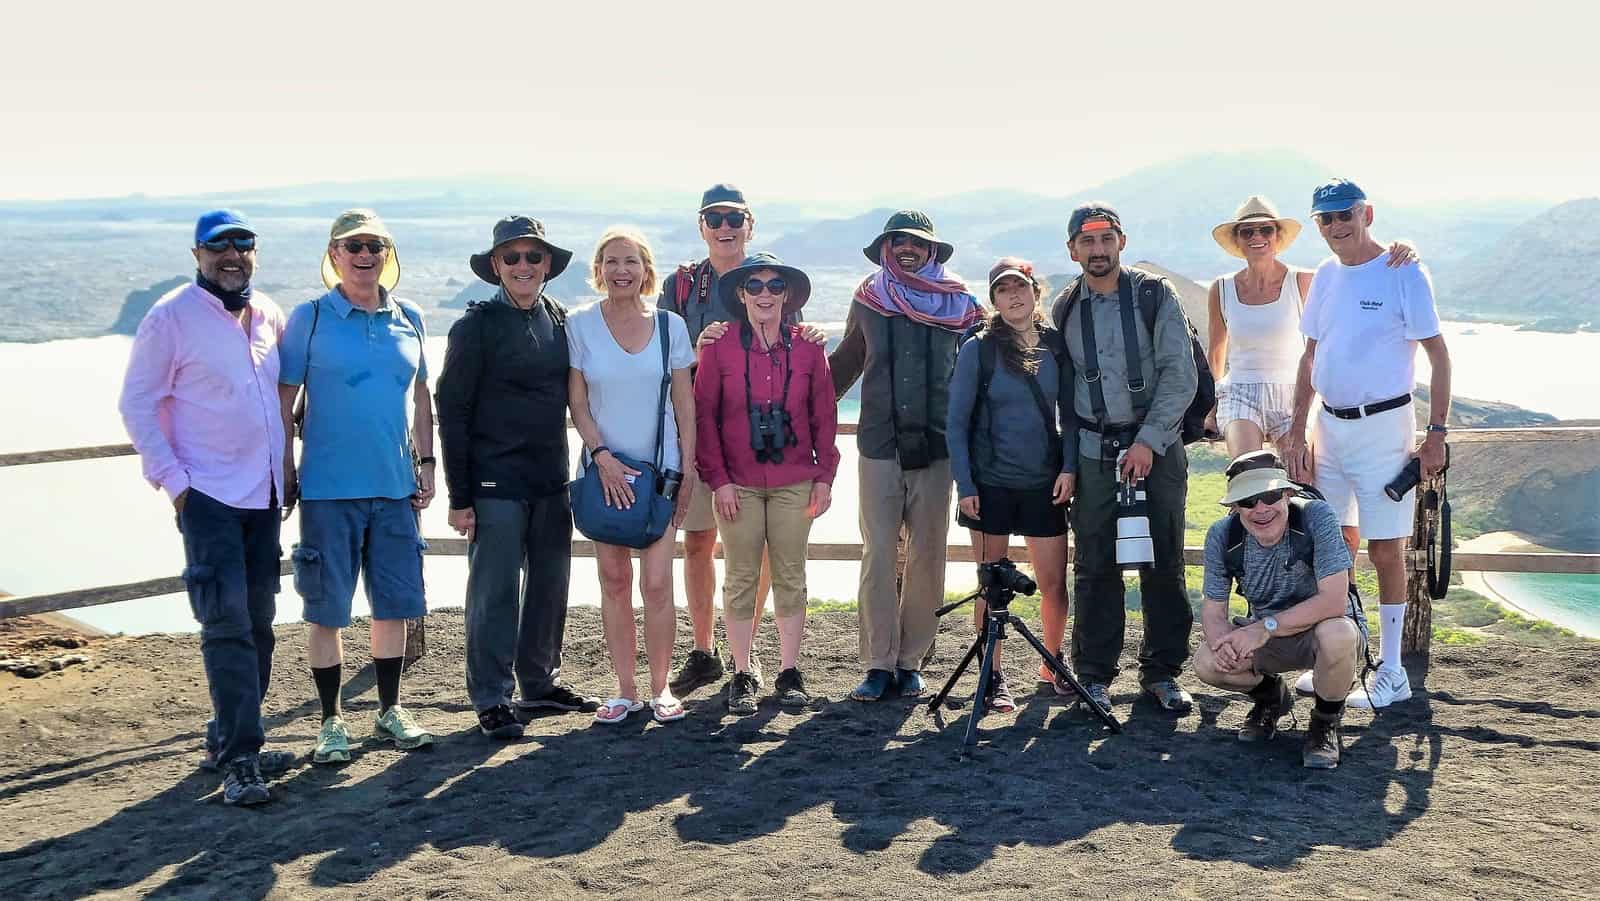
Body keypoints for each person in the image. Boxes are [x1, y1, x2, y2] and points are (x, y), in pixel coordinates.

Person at [118, 209, 292, 806]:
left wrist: (286, 474)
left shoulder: (268, 312)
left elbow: (279, 400)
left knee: (261, 624)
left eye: (243, 246)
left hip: (264, 495)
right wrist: (176, 483)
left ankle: (230, 738)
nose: (232, 256)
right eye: (218, 248)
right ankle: (242, 760)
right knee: (226, 627)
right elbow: (137, 402)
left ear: (253, 254)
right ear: (197, 254)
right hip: (209, 497)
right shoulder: (170, 317)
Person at [1278, 179, 1451, 709]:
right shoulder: (1327, 276)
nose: (1335, 226)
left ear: (1366, 213)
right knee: (1334, 550)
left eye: (1344, 215)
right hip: (1328, 429)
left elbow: (1439, 357)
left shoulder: (1404, 271)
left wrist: (1437, 433)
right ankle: (1344, 665)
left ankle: (1393, 671)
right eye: (1324, 219)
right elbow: (1311, 356)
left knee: (1385, 550)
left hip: (1384, 428)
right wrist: (1297, 426)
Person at [278, 209, 436, 764]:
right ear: (334, 254)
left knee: (393, 603)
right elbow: (283, 399)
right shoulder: (311, 319)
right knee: (327, 608)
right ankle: (330, 721)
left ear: (387, 252)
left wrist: (428, 465)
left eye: (375, 245)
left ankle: (390, 711)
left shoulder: (409, 316)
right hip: (327, 488)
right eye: (353, 246)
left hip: (394, 488)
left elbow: (421, 398)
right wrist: (285, 469)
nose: (365, 254)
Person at [436, 216, 600, 740]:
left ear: (548, 264)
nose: (524, 266)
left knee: (551, 586)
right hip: (493, 484)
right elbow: (451, 408)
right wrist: (460, 496)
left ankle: (539, 683)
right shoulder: (475, 326)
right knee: (495, 593)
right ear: (496, 267)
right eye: (512, 258)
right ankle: (491, 697)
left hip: (550, 479)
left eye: (534, 257)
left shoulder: (558, 318)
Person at [659, 184, 822, 697]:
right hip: (704, 443)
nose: (724, 226)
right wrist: (697, 347)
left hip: (772, 460)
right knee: (701, 545)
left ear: (750, 224)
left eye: (734, 217)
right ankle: (708, 652)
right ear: (701, 225)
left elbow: (802, 372)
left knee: (768, 557)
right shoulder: (683, 286)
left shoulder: (775, 292)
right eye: (714, 218)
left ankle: (755, 661)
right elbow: (664, 349)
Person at [1051, 203, 1199, 715]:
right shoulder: (1066, 307)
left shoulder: (1155, 297)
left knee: (1163, 561)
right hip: (1094, 452)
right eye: (1087, 242)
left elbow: (1180, 374)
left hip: (1155, 450)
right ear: (1072, 250)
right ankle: (1093, 674)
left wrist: (1149, 439)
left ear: (1122, 241)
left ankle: (1161, 672)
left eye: (1106, 239)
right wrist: (1069, 461)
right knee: (1094, 565)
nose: (1098, 250)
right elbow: (1066, 397)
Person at [831, 210, 983, 701]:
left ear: (932, 250)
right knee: (878, 554)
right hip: (879, 443)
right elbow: (846, 364)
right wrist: (795, 395)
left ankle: (911, 661)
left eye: (916, 243)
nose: (907, 250)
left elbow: (984, 371)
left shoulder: (962, 306)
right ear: (885, 249)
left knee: (927, 555)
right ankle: (877, 663)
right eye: (897, 243)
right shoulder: (869, 299)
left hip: (938, 447)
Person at [695, 252, 839, 715]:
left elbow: (824, 416)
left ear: (787, 296)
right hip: (735, 483)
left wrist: (825, 476)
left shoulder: (810, 348)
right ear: (740, 295)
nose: (764, 294)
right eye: (754, 286)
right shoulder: (717, 348)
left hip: (796, 480)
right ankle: (741, 672)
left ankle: (789, 671)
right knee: (740, 577)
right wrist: (718, 482)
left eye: (774, 286)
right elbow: (705, 419)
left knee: (791, 576)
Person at [567, 227, 697, 725]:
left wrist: (689, 468)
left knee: (659, 583)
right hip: (604, 470)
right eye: (612, 261)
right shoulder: (579, 325)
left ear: (646, 270)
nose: (622, 270)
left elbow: (684, 403)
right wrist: (601, 456)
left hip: (660, 473)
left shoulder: (670, 327)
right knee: (614, 579)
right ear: (599, 270)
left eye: (631, 261)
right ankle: (625, 690)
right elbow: (577, 401)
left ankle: (662, 689)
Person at [946, 257, 1072, 713]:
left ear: (1036, 293)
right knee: (991, 587)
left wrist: (1070, 467)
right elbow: (956, 423)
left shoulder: (1058, 347)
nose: (1013, 296)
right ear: (993, 300)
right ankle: (992, 674)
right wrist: (965, 484)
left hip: (1044, 482)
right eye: (1003, 290)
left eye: (1021, 287)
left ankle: (1053, 662)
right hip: (990, 483)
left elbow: (1073, 417)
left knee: (1054, 584)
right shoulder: (978, 350)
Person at [1206, 196, 1417, 458]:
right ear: (1238, 240)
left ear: (1277, 236)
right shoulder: (1221, 288)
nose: (1256, 236)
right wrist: (1211, 406)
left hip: (1292, 394)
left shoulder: (1304, 281)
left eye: (1266, 229)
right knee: (1247, 473)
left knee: (1300, 477)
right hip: (1240, 392)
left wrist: (1399, 249)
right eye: (1247, 231)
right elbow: (1216, 351)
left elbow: (1354, 271)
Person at [1194, 451, 1366, 769]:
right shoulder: (1222, 535)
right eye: (1247, 501)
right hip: (1269, 636)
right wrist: (1222, 645)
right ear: (1234, 507)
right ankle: (1272, 698)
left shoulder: (1318, 517)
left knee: (1338, 633)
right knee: (1206, 662)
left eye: (1270, 495)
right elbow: (1214, 609)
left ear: (1288, 494)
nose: (1260, 509)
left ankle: (1325, 721)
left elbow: (1333, 602)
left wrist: (1262, 628)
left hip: (1319, 631)